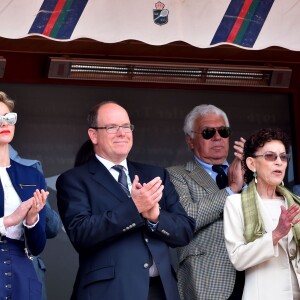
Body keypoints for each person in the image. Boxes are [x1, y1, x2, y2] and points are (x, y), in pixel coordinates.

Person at [56, 101, 195, 300]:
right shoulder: (74, 180)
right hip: (109, 292)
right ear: (93, 135)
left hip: (160, 291)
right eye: (112, 127)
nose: (122, 133)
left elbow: (185, 232)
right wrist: (134, 207)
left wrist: (155, 216)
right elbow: (81, 234)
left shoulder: (155, 174)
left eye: (126, 126)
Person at [167, 104, 245, 300]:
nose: (217, 137)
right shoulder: (176, 175)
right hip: (208, 277)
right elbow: (187, 218)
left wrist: (257, 167)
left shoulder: (250, 170)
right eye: (208, 132)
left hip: (255, 272)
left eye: (223, 131)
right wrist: (231, 190)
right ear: (190, 140)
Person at [224, 128, 300, 300]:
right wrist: (276, 235)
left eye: (283, 157)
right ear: (252, 164)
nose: (279, 162)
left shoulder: (296, 202)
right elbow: (238, 259)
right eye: (270, 156)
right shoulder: (235, 204)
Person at [0, 91, 49, 300]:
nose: (4, 124)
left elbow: (37, 246)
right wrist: (11, 219)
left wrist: (31, 219)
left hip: (21, 269)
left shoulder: (32, 174)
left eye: (9, 118)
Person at [9, 144, 61, 300]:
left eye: (9, 119)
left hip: (27, 275)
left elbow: (52, 228)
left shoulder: (29, 169)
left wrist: (36, 207)